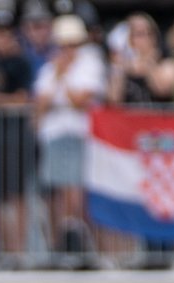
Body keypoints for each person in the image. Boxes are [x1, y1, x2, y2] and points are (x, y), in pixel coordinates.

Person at [34, 14, 107, 260]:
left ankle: (84, 243)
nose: (67, 50)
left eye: (72, 44)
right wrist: (58, 75)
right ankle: (59, 246)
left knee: (77, 193)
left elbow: (79, 101)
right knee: (56, 193)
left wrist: (62, 77)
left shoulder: (91, 64)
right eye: (63, 44)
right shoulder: (49, 68)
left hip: (80, 136)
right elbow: (41, 104)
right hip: (54, 136)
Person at [0, 15, 37, 258]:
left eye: (5, 33)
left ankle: (18, 251)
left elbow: (22, 100)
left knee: (17, 195)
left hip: (17, 135)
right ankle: (9, 248)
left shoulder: (21, 61)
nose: (1, 38)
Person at [110, 13, 174, 104]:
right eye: (136, 34)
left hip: (157, 116)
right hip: (130, 116)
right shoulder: (121, 64)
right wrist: (120, 68)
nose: (145, 39)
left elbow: (162, 90)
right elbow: (114, 99)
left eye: (147, 33)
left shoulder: (166, 61)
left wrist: (149, 64)